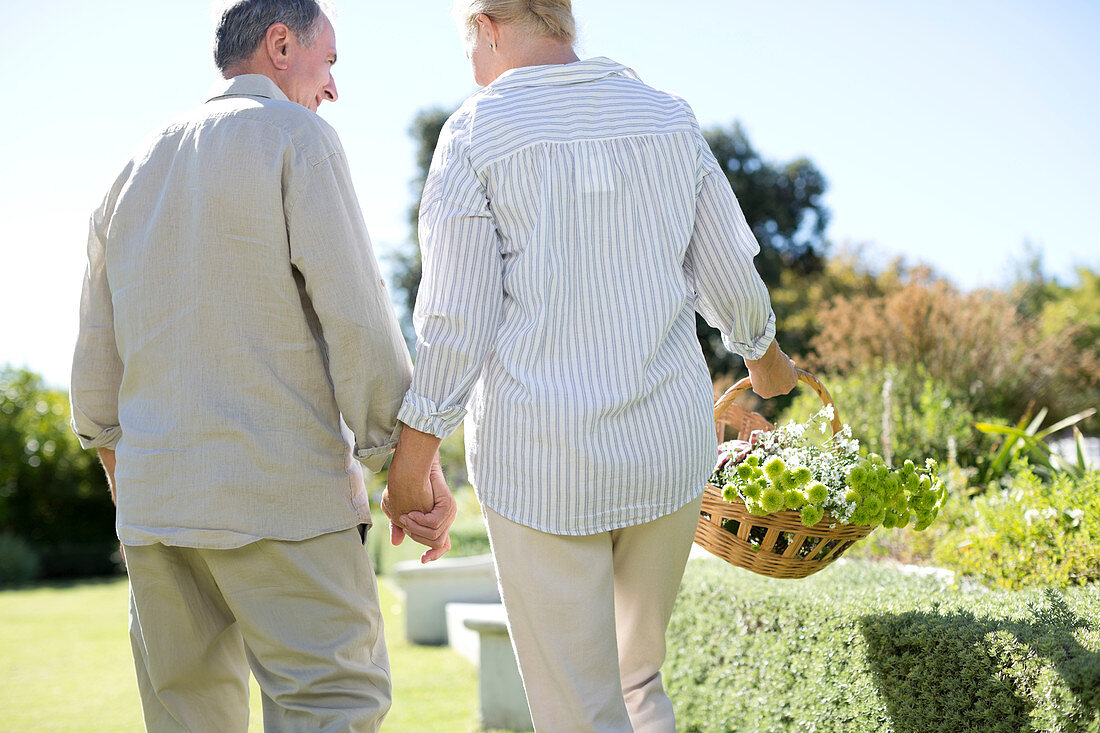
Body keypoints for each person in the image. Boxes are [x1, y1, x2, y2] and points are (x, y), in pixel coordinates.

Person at [383, 0, 799, 730]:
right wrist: (767, 362)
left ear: (485, 26)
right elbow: (730, 274)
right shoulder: (668, 118)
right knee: (639, 682)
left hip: (541, 463)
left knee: (580, 711)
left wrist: (410, 465)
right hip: (664, 457)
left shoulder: (476, 133)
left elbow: (455, 321)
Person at [69, 1, 454, 730]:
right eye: (329, 61)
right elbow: (360, 322)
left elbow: (93, 380)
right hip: (284, 502)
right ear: (281, 43)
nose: (333, 87)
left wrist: (143, 492)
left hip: (156, 520)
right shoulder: (297, 137)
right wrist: (402, 472)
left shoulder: (128, 169)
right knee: (331, 707)